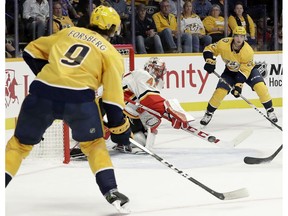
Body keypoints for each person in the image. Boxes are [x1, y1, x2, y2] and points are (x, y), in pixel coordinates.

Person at [5, 5, 131, 213]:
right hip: (79, 101)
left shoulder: (67, 32)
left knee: (18, 146)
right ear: (113, 29)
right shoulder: (111, 53)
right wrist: (120, 131)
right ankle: (111, 190)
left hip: (41, 94)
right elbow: (113, 101)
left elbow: (30, 50)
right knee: (94, 146)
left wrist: (49, 76)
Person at [113, 57, 195, 152]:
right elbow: (150, 100)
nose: (158, 73)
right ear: (149, 67)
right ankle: (120, 139)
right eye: (156, 70)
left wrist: (169, 115)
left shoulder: (143, 78)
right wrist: (170, 114)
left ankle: (122, 140)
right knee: (140, 137)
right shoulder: (143, 74)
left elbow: (147, 104)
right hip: (116, 109)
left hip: (124, 109)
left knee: (148, 127)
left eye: (160, 71)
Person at [200, 26, 278, 126]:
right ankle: (208, 113)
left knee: (260, 87)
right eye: (237, 36)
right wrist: (209, 61)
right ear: (233, 36)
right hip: (230, 71)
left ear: (245, 37)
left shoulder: (248, 51)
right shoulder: (224, 43)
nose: (239, 39)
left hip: (249, 71)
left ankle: (270, 111)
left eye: (242, 36)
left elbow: (245, 71)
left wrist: (238, 85)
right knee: (220, 92)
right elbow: (209, 49)